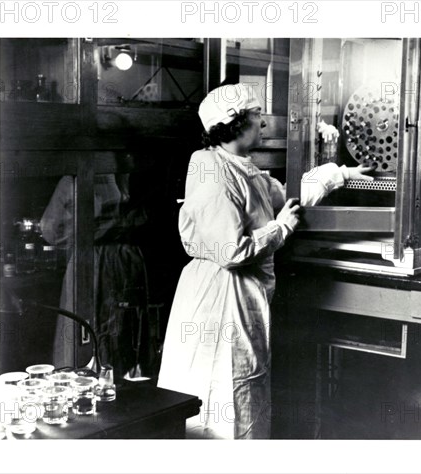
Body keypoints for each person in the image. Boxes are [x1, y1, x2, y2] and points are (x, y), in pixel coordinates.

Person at [156, 83, 373, 439]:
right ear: (237, 122)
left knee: (241, 388)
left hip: (242, 296)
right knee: (219, 390)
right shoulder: (210, 169)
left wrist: (341, 173)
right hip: (219, 297)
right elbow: (231, 251)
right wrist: (280, 229)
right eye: (258, 116)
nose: (264, 124)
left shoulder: (244, 168)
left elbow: (291, 198)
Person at [40, 172, 152, 380]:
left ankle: (124, 387)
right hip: (90, 262)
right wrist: (89, 233)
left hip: (126, 262)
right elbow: (50, 229)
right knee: (86, 330)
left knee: (126, 332)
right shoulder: (74, 179)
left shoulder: (132, 175)